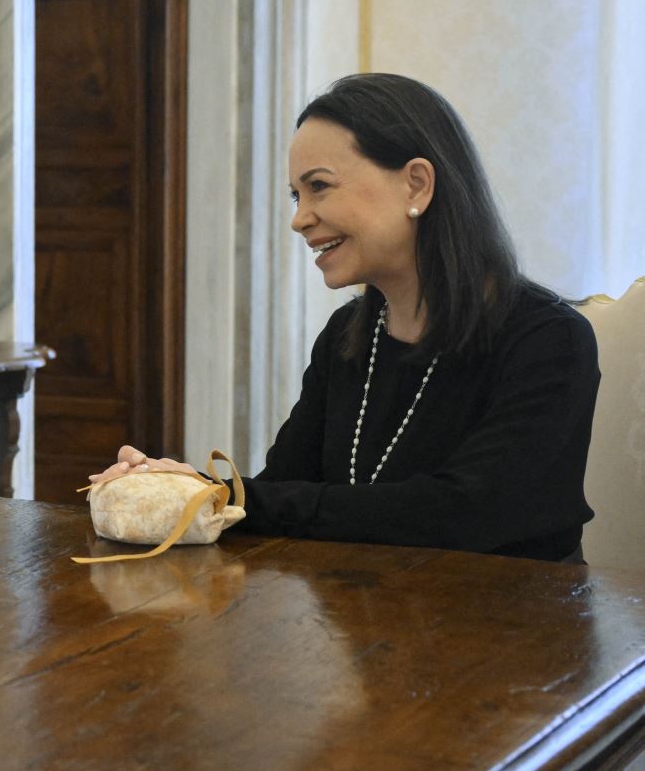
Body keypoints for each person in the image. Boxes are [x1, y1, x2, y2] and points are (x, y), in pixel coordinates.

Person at [92, 73, 599, 563]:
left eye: (319, 186)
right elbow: (283, 487)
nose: (299, 218)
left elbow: (464, 514)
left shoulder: (550, 340)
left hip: (518, 631)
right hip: (365, 623)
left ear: (416, 186)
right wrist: (179, 492)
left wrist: (227, 498)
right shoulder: (347, 336)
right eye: (297, 194)